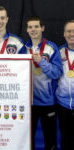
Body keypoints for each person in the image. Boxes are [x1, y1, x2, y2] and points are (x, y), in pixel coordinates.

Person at [25, 16, 63, 150]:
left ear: (42, 28)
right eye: (30, 27)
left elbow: (57, 72)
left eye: (36, 26)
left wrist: (42, 62)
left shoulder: (51, 47)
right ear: (27, 30)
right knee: (27, 140)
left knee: (50, 141)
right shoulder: (24, 49)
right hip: (28, 103)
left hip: (48, 102)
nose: (33, 29)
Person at [56, 20, 74, 150]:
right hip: (63, 104)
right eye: (68, 31)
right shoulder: (59, 53)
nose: (71, 34)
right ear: (64, 34)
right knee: (65, 138)